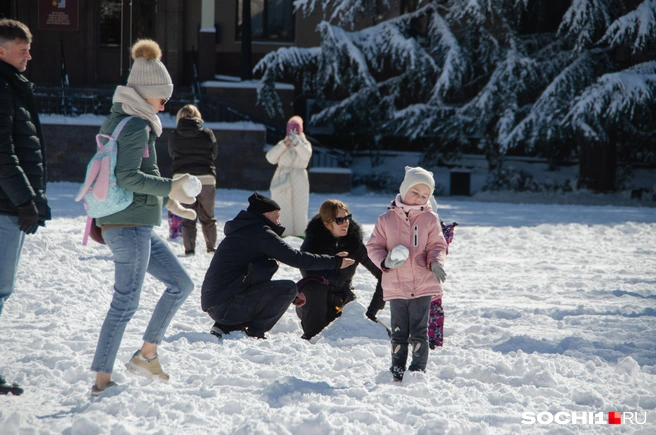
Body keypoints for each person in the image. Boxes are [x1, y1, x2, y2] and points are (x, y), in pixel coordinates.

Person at [90, 39, 200, 397]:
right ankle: (102, 381)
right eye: (162, 96)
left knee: (180, 284)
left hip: (135, 223)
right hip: (129, 227)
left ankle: (147, 354)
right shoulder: (136, 125)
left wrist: (169, 201)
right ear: (145, 92)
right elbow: (127, 178)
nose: (165, 103)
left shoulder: (125, 117)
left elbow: (133, 180)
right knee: (125, 303)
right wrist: (173, 185)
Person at [201, 192, 355, 340]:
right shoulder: (259, 233)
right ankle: (255, 332)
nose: (280, 222)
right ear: (265, 214)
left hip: (219, 303)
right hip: (224, 305)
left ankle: (226, 326)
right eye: (277, 217)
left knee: (272, 273)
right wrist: (334, 262)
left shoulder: (246, 231)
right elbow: (296, 258)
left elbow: (251, 275)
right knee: (288, 288)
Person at [0, 19, 51, 396]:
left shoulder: (11, 86)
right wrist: (24, 200)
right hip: (5, 206)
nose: (29, 56)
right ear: (1, 50)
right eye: (23, 50)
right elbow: (3, 153)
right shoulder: (2, 88)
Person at [366, 166, 448, 382]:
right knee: (399, 331)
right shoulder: (385, 220)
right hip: (396, 284)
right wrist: (386, 261)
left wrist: (436, 262)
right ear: (404, 189)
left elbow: (437, 244)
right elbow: (374, 246)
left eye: (424, 195)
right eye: (415, 192)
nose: (419, 198)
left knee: (419, 331)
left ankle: (417, 370)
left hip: (423, 282)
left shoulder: (430, 219)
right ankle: (397, 368)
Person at [296, 199, 382, 340]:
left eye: (347, 218)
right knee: (314, 288)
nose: (345, 223)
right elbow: (309, 274)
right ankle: (311, 336)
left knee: (377, 333)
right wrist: (333, 262)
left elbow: (383, 274)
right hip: (313, 301)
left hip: (343, 298)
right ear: (326, 224)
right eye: (339, 220)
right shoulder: (312, 243)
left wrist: (372, 311)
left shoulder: (354, 244)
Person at [168, 104, 218, 255]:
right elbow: (214, 154)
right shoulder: (208, 134)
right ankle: (211, 248)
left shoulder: (174, 135)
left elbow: (172, 154)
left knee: (187, 216)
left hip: (182, 179)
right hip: (206, 178)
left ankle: (189, 250)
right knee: (208, 217)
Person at [265, 116, 312, 237]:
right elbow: (270, 158)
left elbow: (306, 156)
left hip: (299, 178)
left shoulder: (304, 144)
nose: (293, 132)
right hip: (282, 180)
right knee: (281, 207)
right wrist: (285, 144)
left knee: (300, 208)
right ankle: (283, 233)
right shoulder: (283, 143)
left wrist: (297, 143)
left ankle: (300, 235)